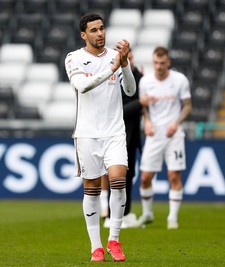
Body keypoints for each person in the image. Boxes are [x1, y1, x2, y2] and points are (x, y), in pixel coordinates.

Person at [64, 13, 136, 262]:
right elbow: (82, 86)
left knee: (118, 180)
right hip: (86, 134)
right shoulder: (74, 58)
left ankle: (114, 240)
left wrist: (124, 64)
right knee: (92, 189)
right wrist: (112, 68)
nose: (100, 33)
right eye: (93, 30)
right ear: (84, 34)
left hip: (114, 131)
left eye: (102, 28)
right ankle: (96, 246)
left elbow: (130, 90)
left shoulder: (115, 59)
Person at [136, 46, 192, 230]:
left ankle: (172, 218)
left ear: (168, 62)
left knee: (173, 175)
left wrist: (176, 123)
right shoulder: (146, 82)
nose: (158, 66)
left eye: (162, 63)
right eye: (155, 63)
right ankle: (147, 213)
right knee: (145, 177)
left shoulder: (179, 80)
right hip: (154, 135)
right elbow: (143, 106)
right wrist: (147, 122)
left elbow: (187, 106)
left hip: (174, 134)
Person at [100, 49, 149, 229]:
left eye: (130, 56)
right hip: (120, 134)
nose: (128, 60)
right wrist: (140, 103)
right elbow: (119, 109)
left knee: (129, 175)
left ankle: (125, 213)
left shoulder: (138, 76)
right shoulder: (115, 79)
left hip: (133, 134)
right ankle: (111, 216)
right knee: (119, 177)